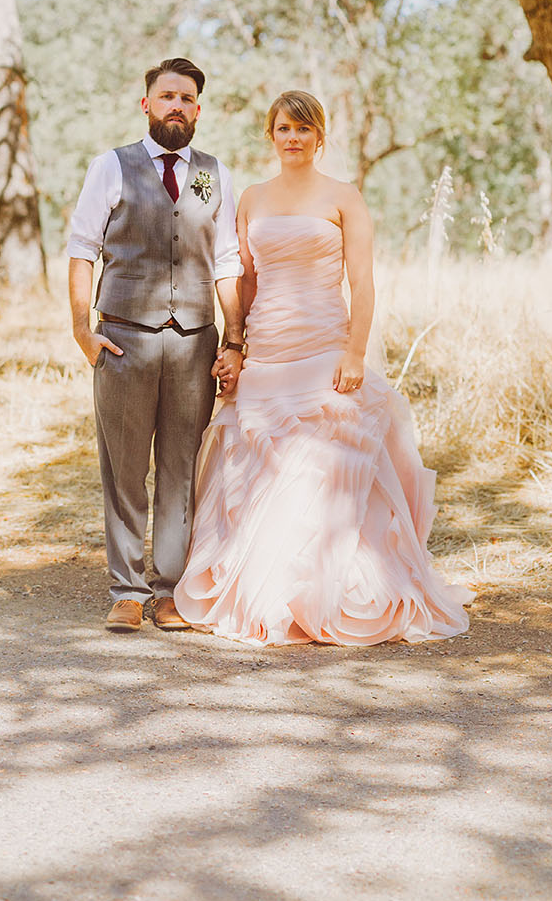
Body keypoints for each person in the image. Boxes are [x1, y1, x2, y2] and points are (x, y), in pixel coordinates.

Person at [174, 90, 470, 645]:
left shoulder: (343, 197)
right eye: (283, 129)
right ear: (271, 134)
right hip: (268, 350)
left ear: (319, 136)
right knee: (262, 468)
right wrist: (236, 344)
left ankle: (324, 583)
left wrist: (355, 352)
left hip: (326, 347)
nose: (293, 138)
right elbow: (247, 279)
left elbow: (363, 282)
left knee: (320, 466)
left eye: (303, 130)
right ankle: (267, 584)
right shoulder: (252, 199)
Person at [67, 58, 244, 632]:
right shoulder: (111, 166)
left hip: (194, 342)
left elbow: (225, 261)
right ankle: (126, 589)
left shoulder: (215, 174)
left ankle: (170, 591)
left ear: (198, 109)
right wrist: (80, 328)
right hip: (122, 341)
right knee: (123, 470)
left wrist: (234, 337)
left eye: (186, 98)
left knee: (181, 469)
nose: (176, 105)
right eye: (167, 95)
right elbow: (81, 247)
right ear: (146, 104)